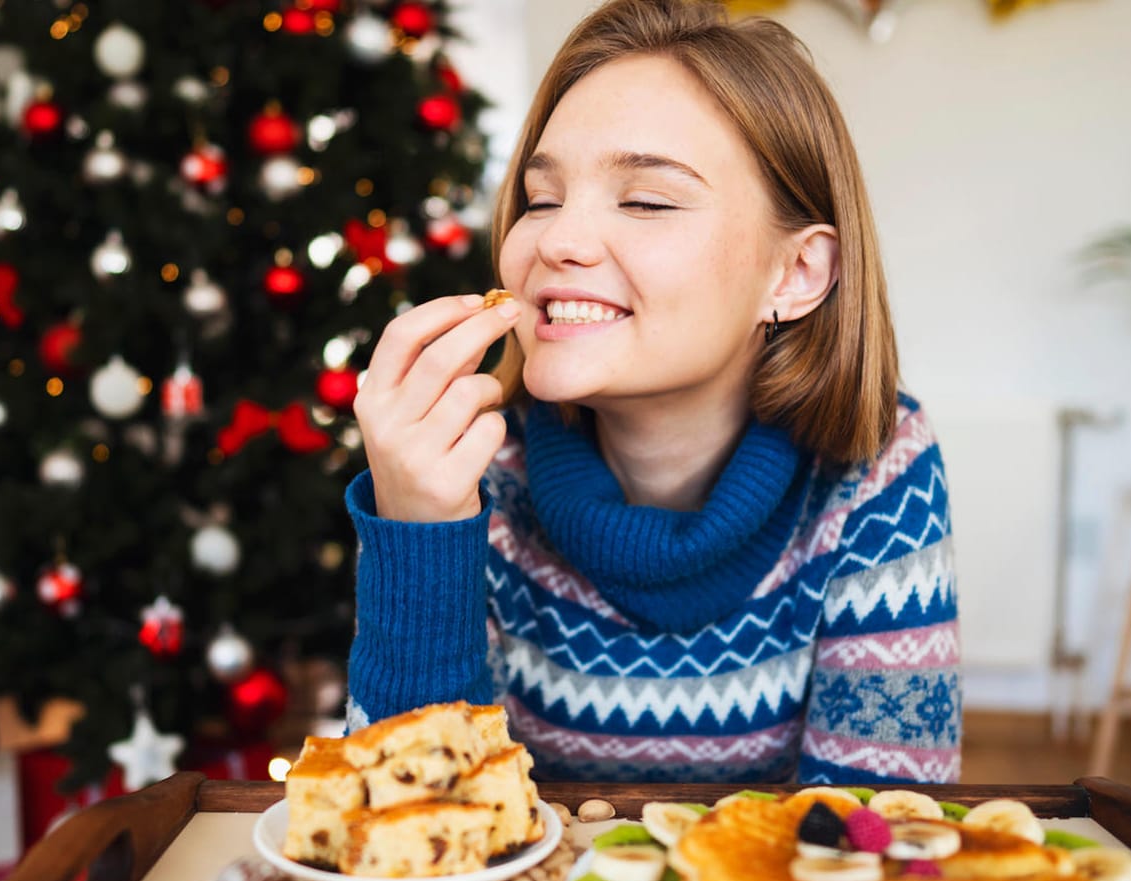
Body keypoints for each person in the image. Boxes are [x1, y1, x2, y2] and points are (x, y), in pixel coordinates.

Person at [343, 0, 960, 785]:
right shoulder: (467, 472)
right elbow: (405, 824)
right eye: (540, 198)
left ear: (795, 273)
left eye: (645, 201)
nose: (556, 241)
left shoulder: (880, 466)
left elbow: (886, 844)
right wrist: (419, 535)